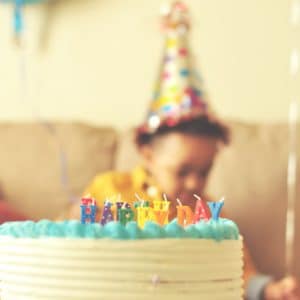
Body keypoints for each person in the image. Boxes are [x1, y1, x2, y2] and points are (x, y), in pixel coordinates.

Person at [65, 2, 300, 299]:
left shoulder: (208, 214)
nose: (194, 183)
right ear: (148, 155)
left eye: (204, 171)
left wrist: (267, 289)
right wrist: (76, 220)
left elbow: (238, 271)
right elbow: (67, 242)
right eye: (183, 170)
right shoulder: (109, 189)